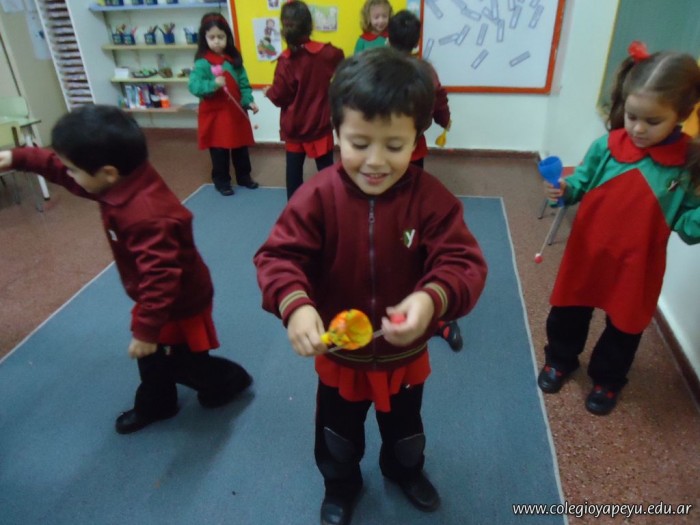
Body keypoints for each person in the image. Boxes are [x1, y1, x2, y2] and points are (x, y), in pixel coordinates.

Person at [254, 48, 488, 525]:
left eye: (394, 146)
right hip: (341, 355)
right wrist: (296, 305)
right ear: (335, 133)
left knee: (406, 432)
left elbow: (463, 262)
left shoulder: (432, 200)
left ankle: (404, 471)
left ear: (416, 140)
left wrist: (431, 299)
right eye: (359, 143)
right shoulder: (316, 197)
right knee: (336, 434)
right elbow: (279, 257)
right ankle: (341, 485)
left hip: (404, 356)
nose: (375, 161)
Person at [0, 105, 253, 434]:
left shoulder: (145, 214)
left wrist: (146, 330)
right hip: (159, 298)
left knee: (183, 362)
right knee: (153, 361)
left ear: (107, 173)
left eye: (73, 169)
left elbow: (161, 277)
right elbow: (64, 172)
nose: (69, 175)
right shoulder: (122, 177)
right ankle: (158, 404)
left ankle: (230, 381)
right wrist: (18, 157)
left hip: (178, 300)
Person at [537, 42, 700, 416]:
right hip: (587, 252)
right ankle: (560, 359)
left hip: (636, 265)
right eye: (631, 116)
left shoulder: (686, 164)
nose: (638, 128)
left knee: (625, 327)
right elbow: (580, 181)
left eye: (652, 121)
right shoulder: (607, 146)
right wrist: (564, 189)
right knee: (568, 311)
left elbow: (688, 226)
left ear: (681, 114)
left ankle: (608, 380)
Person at [388, 9, 461, 351]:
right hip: (406, 156)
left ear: (388, 36)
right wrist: (444, 120)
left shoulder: (382, 67)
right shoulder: (424, 70)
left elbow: (437, 97)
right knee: (405, 221)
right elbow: (439, 99)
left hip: (403, 157)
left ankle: (430, 307)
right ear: (416, 40)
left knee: (407, 223)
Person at [262, 0, 344, 200]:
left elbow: (280, 96)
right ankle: (333, 204)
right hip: (320, 123)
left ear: (284, 28)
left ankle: (294, 208)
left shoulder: (286, 61)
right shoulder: (327, 53)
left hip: (295, 126)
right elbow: (341, 61)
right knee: (326, 169)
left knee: (294, 172)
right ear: (309, 25)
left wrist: (269, 92)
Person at [189, 12, 259, 196]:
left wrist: (249, 101)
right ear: (204, 38)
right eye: (212, 37)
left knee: (240, 147)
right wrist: (213, 84)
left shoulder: (234, 61)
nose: (217, 41)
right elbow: (194, 86)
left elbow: (244, 83)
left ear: (227, 37)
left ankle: (244, 176)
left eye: (221, 37)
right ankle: (222, 181)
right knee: (219, 150)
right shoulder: (202, 63)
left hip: (235, 112)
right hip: (215, 114)